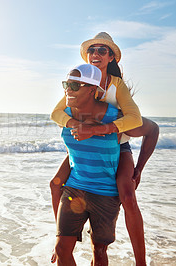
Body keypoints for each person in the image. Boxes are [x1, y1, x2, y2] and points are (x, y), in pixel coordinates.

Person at [50, 32, 159, 265]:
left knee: (128, 196)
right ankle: (60, 242)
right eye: (92, 50)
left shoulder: (115, 84)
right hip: (86, 145)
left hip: (117, 145)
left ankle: (141, 261)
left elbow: (135, 119)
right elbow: (56, 113)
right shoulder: (78, 81)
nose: (95, 54)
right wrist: (78, 126)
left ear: (111, 58)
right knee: (55, 183)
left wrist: (138, 168)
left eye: (102, 50)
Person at [54, 63, 123, 265]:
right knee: (61, 250)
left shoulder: (116, 115)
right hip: (75, 186)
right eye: (66, 84)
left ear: (93, 89)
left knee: (99, 252)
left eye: (75, 86)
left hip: (105, 191)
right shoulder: (64, 115)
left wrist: (139, 169)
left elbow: (151, 129)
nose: (68, 89)